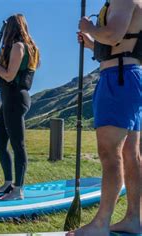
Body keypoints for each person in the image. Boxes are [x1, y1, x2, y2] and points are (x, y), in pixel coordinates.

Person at [69, 0, 142, 235]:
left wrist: (89, 27)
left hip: (118, 78)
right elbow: (120, 43)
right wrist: (92, 44)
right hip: (127, 75)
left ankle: (101, 224)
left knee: (109, 152)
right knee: (130, 153)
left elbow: (112, 35)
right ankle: (133, 219)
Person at [0, 14, 40, 200]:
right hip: (9, 98)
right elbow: (11, 77)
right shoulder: (27, 47)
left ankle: (19, 189)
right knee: (0, 142)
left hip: (16, 99)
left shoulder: (18, 46)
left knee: (18, 144)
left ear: (11, 28)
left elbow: (9, 75)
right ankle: (9, 183)